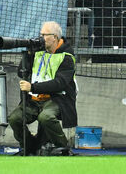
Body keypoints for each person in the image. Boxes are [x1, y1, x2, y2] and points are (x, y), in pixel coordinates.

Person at [8, 21, 78, 155]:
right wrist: (28, 54)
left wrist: (32, 87)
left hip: (57, 98)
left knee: (46, 117)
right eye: (41, 34)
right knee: (14, 118)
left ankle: (63, 148)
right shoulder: (38, 52)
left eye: (45, 35)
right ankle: (29, 147)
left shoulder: (67, 57)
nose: (41, 38)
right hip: (35, 99)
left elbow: (60, 83)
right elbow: (21, 72)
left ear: (55, 37)